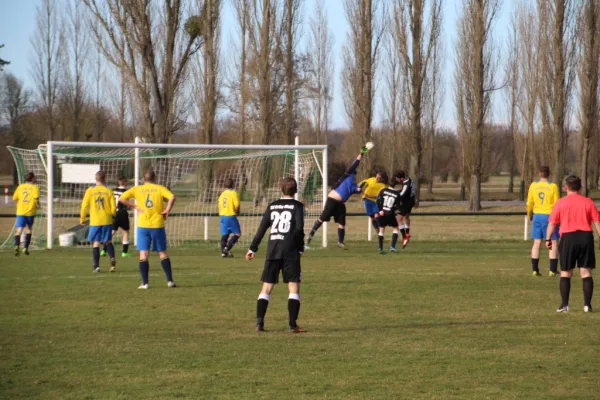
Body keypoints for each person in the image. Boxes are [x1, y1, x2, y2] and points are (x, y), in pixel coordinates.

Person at [246, 177, 306, 333]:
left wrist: (253, 248)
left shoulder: (272, 206)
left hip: (273, 249)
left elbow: (262, 228)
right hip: (290, 250)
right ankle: (292, 324)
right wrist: (300, 248)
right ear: (296, 191)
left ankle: (259, 323)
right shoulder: (298, 206)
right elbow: (299, 229)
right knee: (293, 287)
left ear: (281, 190)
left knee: (266, 288)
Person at [546, 176, 600, 313]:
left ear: (565, 187)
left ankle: (565, 305)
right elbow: (597, 222)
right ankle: (587, 305)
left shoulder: (560, 203)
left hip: (568, 238)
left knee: (566, 272)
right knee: (586, 271)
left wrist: (548, 239)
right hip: (585, 237)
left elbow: (552, 223)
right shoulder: (588, 202)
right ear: (580, 187)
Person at [119, 170, 176, 289]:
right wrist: (167, 210)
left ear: (143, 179)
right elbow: (172, 197)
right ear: (154, 178)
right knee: (162, 252)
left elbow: (122, 199)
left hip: (143, 225)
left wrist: (135, 206)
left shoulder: (137, 189)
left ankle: (145, 283)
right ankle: (170, 281)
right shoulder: (159, 188)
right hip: (157, 225)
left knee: (143, 253)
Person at [306, 145, 372, 249]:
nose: (354, 174)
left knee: (342, 222)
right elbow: (355, 164)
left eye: (354, 173)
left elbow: (358, 190)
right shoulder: (347, 176)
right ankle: (310, 235)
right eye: (354, 172)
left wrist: (361, 188)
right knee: (322, 218)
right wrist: (361, 154)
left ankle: (340, 242)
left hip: (340, 204)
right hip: (332, 200)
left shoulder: (355, 185)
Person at [527, 166, 560, 276]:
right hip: (549, 216)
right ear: (549, 174)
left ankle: (535, 269)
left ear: (539, 174)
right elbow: (557, 204)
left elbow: (529, 203)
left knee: (537, 242)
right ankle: (552, 270)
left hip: (537, 215)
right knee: (553, 242)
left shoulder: (533, 185)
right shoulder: (553, 186)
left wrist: (530, 215)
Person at [80, 171, 116, 273]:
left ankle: (96, 267)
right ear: (105, 179)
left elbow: (84, 206)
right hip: (106, 220)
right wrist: (112, 215)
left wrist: (82, 218)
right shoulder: (108, 190)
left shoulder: (90, 190)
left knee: (95, 243)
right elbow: (113, 207)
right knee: (108, 241)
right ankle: (112, 259)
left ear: (96, 179)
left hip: (95, 221)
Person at [102, 176, 132, 258]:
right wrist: (130, 207)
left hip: (114, 212)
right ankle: (124, 252)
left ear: (118, 182)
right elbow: (126, 203)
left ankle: (104, 250)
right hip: (122, 213)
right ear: (125, 182)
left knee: (112, 232)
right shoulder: (126, 192)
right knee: (125, 231)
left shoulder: (113, 191)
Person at [13, 172, 40, 256]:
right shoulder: (35, 187)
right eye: (35, 177)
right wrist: (38, 205)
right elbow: (36, 198)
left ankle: (16, 246)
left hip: (20, 211)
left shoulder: (20, 186)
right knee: (29, 229)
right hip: (30, 212)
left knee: (19, 230)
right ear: (32, 179)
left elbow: (15, 198)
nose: (36, 179)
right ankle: (25, 247)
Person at [376, 175, 401, 254]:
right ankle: (392, 247)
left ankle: (380, 248)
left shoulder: (383, 191)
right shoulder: (397, 194)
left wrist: (380, 210)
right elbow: (398, 206)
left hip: (383, 213)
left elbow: (377, 201)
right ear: (395, 184)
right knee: (396, 228)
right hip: (390, 214)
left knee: (381, 229)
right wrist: (393, 210)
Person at [217, 178, 241, 258]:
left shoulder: (222, 194)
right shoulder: (233, 193)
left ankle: (223, 253)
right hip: (230, 215)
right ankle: (227, 248)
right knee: (237, 234)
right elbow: (237, 205)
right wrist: (237, 211)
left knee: (225, 234)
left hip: (222, 216)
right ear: (233, 184)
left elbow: (219, 205)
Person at [395, 171, 415, 249]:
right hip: (411, 201)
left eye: (397, 178)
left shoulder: (406, 183)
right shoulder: (408, 180)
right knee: (406, 217)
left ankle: (404, 237)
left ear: (402, 178)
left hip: (407, 203)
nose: (397, 180)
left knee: (399, 219)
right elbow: (404, 190)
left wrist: (395, 195)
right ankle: (407, 233)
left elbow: (402, 194)